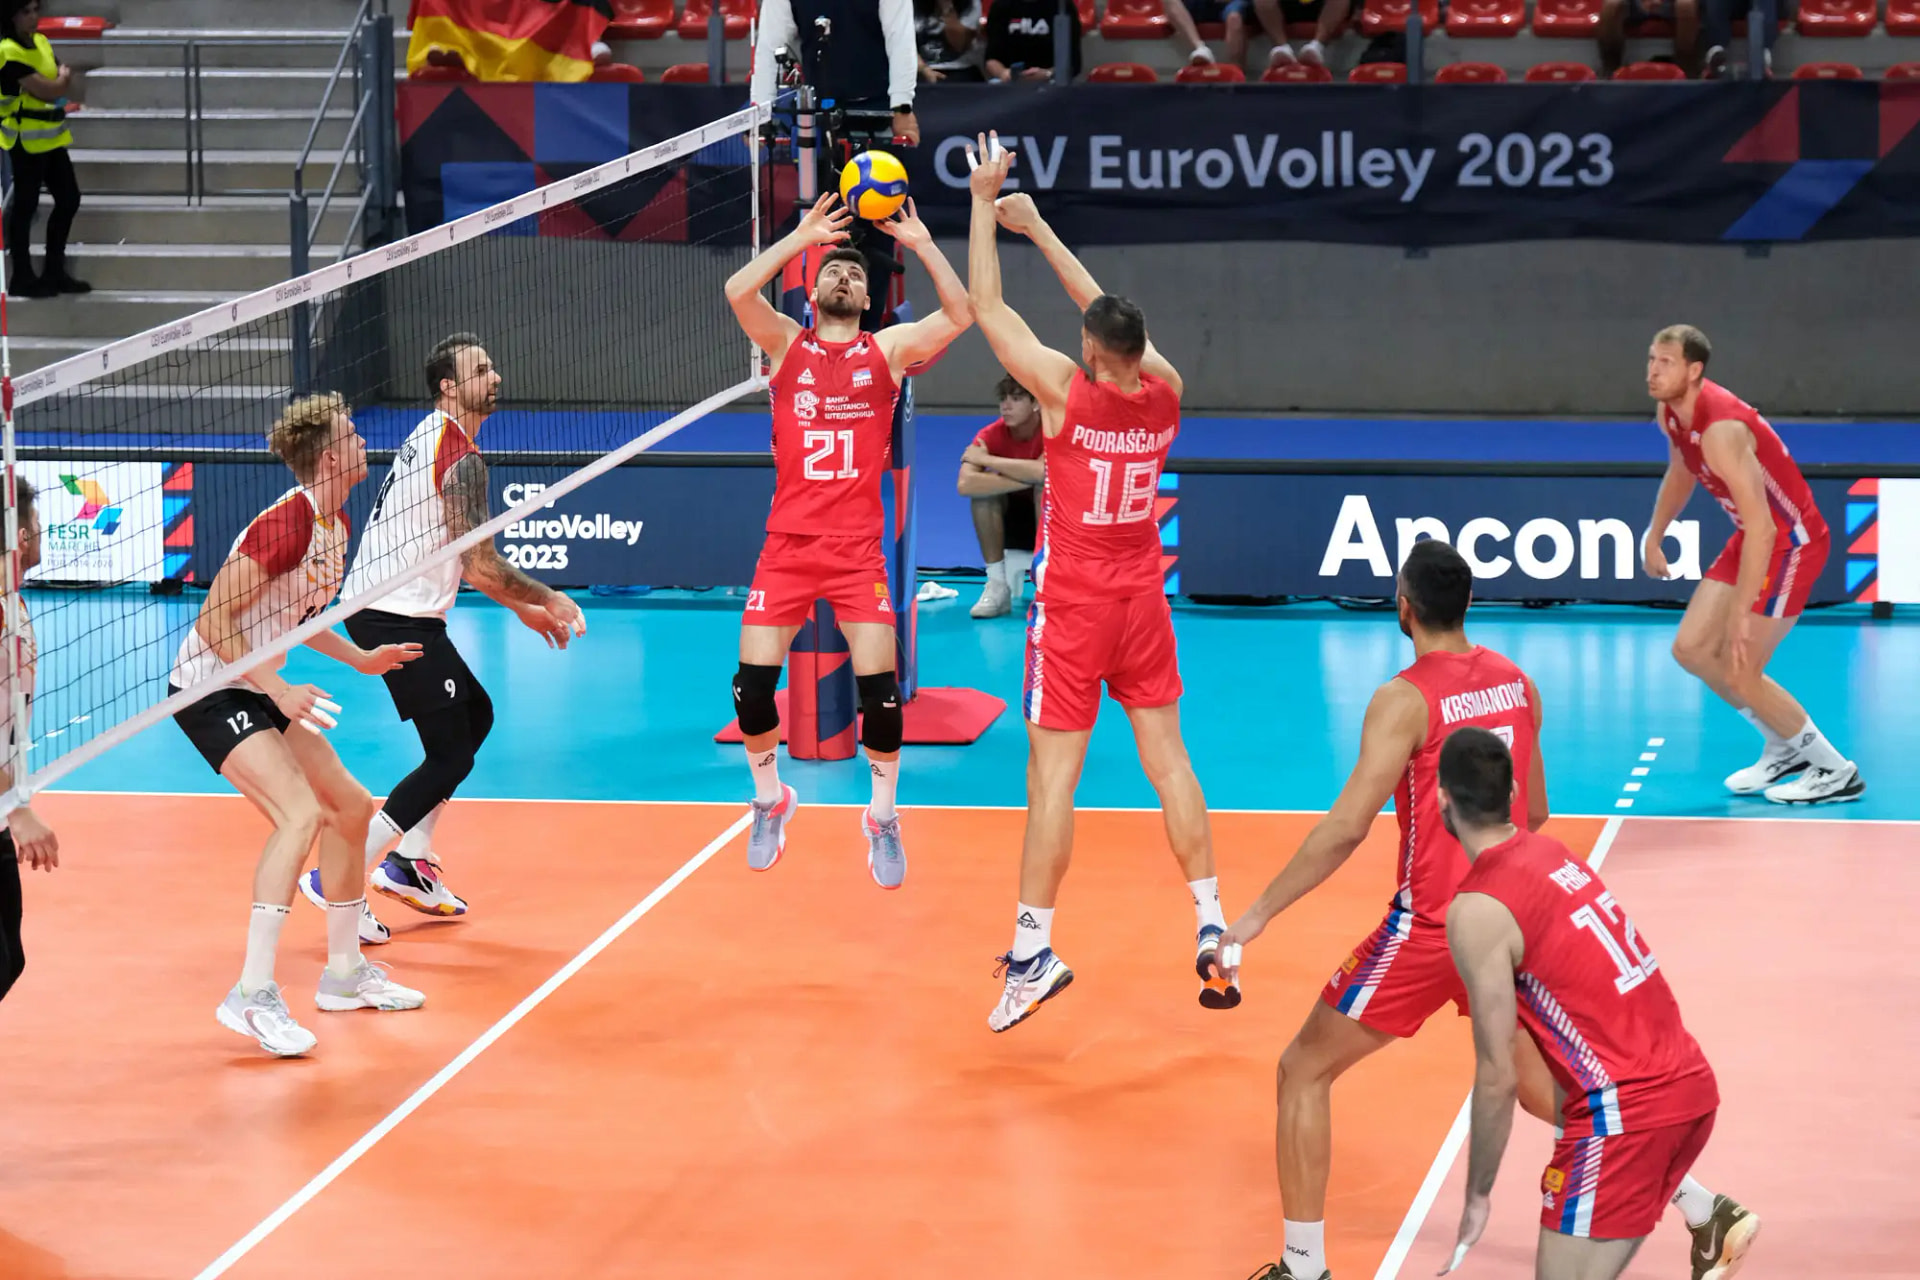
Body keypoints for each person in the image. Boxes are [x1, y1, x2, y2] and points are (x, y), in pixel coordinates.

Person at [964, 138, 1227, 1032]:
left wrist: (986, 204)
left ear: (1088, 350)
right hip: (1142, 603)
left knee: (1052, 783)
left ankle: (1032, 953)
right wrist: (1041, 229)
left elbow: (988, 306)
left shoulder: (1061, 394)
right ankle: (1210, 916)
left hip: (1074, 609)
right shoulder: (1166, 393)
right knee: (1170, 761)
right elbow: (1111, 320)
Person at [1437, 727, 1759, 1280]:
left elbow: (1497, 1077)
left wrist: (1477, 1196)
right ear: (1513, 790)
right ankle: (1706, 1213)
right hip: (1690, 1088)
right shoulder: (1554, 854)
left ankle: (1705, 1212)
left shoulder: (1477, 910)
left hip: (1625, 1118)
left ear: (1442, 798)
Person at [724, 192, 971, 889]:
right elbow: (738, 290)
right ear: (813, 292)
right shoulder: (785, 344)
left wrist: (922, 244)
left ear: (868, 301)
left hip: (857, 551)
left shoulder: (887, 351)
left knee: (881, 696)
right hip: (788, 547)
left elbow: (961, 314)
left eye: (856, 275)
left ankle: (882, 817)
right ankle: (770, 800)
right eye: (832, 270)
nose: (843, 277)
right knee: (750, 691)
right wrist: (800, 237)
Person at [169, 395, 427, 1058]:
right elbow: (213, 619)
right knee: (299, 815)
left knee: (351, 806)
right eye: (353, 435)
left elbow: (300, 617)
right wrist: (279, 689)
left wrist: (361, 659)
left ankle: (344, 975)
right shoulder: (286, 524)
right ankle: (251, 993)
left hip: (257, 686)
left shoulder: (333, 523)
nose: (364, 442)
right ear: (331, 457)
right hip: (211, 688)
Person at [318, 335, 585, 938]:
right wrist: (547, 597)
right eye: (480, 370)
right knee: (450, 755)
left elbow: (465, 561)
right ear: (448, 386)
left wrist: (519, 609)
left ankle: (410, 860)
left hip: (396, 608)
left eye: (492, 366)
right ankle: (340, 877)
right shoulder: (459, 456)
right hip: (392, 615)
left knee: (476, 716)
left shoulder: (434, 437)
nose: (495, 377)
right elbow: (482, 564)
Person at [1642, 324, 1860, 805]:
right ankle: (1785, 744)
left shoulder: (1722, 430)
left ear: (1694, 371)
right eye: (1652, 360)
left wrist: (1742, 613)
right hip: (1754, 536)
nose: (1653, 371)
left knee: (1741, 667)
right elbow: (1682, 471)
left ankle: (1835, 770)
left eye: (1666, 362)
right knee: (1692, 650)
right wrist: (1655, 533)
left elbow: (1765, 528)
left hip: (1791, 542)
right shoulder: (1670, 413)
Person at [0, 477, 57, 1007]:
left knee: (8, 959)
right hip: (4, 806)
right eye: (37, 525)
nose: (42, 533)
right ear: (21, 536)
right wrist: (17, 810)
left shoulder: (13, 602)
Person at [1, 0, 87, 297]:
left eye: (36, 10)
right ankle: (22, 276)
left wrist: (60, 81)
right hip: (24, 138)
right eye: (26, 11)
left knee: (69, 199)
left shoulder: (40, 41)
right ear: (11, 17)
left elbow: (58, 83)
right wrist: (61, 79)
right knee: (25, 207)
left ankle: (54, 271)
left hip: (51, 137)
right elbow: (51, 88)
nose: (33, 16)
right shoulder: (7, 51)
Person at [750, 0, 922, 145]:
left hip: (877, 110)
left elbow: (900, 41)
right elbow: (770, 48)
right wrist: (760, 115)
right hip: (815, 113)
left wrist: (902, 106)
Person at [957, 374, 1043, 618]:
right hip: (1006, 522)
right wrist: (1026, 477)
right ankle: (997, 585)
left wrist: (987, 460)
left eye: (1016, 399)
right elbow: (965, 484)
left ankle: (1048, 584)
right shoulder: (990, 434)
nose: (1006, 406)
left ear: (1036, 403)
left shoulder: (1052, 429)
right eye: (1003, 399)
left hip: (1051, 524)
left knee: (1044, 489)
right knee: (983, 496)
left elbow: (1044, 473)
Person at [982, 0, 1082, 82]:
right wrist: (1003, 73)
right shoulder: (1000, 6)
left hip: (1052, 84)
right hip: (1010, 84)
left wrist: (1047, 74)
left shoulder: (1063, 7)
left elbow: (1073, 62)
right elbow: (991, 58)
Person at [916, 0, 984, 82]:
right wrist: (923, 69)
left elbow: (959, 45)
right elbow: (905, 45)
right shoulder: (907, 5)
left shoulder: (970, 3)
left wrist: (946, 8)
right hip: (917, 66)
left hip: (959, 68)